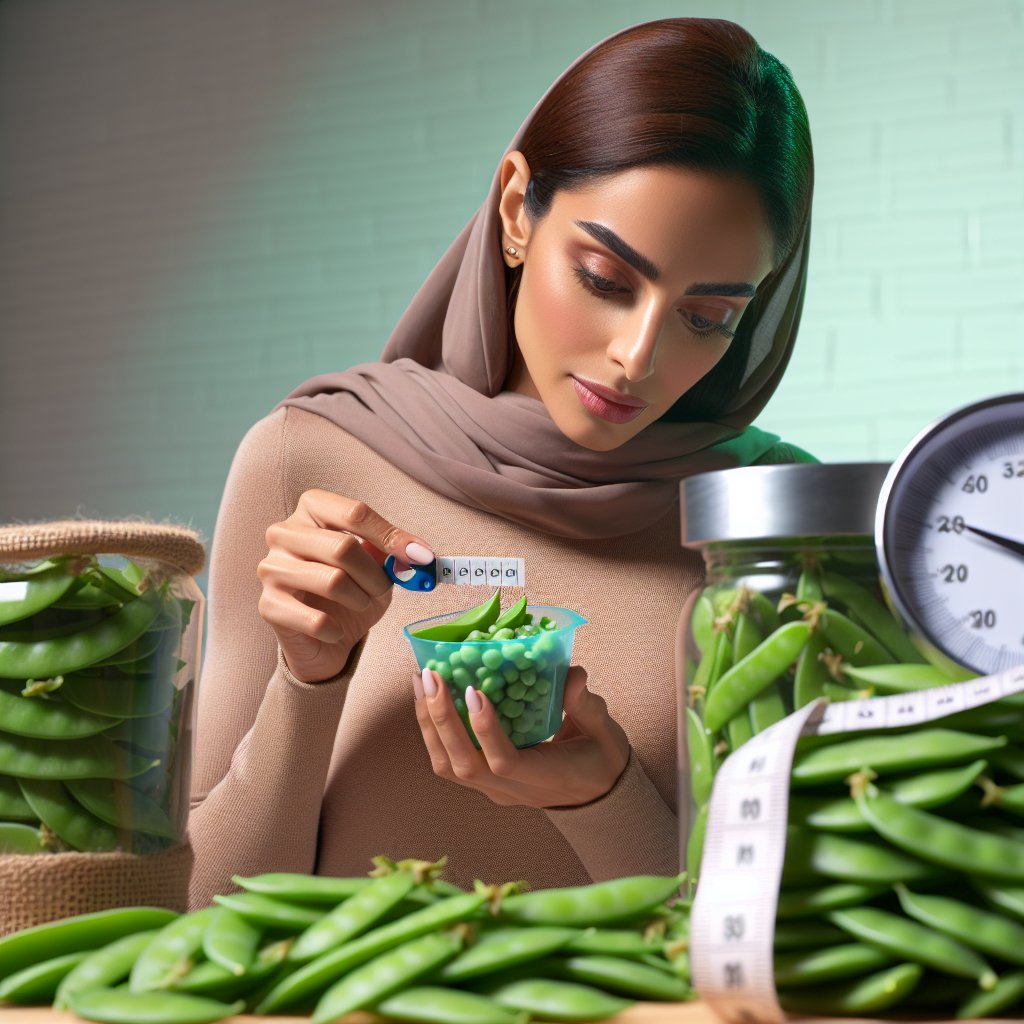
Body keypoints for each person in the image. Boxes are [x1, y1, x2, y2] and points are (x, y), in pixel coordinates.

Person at [187, 16, 815, 908]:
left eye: (706, 318)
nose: (638, 355)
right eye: (605, 278)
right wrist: (309, 676)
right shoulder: (310, 457)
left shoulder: (775, 521)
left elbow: (792, 944)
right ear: (517, 211)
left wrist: (602, 800)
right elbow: (198, 919)